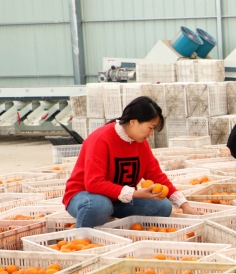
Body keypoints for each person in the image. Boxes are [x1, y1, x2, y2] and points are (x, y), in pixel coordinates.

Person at [63, 96, 199, 227]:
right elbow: (93, 183)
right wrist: (133, 193)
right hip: (85, 196)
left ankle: (117, 224)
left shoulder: (141, 143)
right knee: (99, 205)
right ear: (133, 122)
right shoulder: (101, 139)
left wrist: (184, 205)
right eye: (150, 127)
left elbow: (157, 176)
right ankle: (82, 237)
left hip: (118, 200)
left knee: (163, 206)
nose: (151, 133)